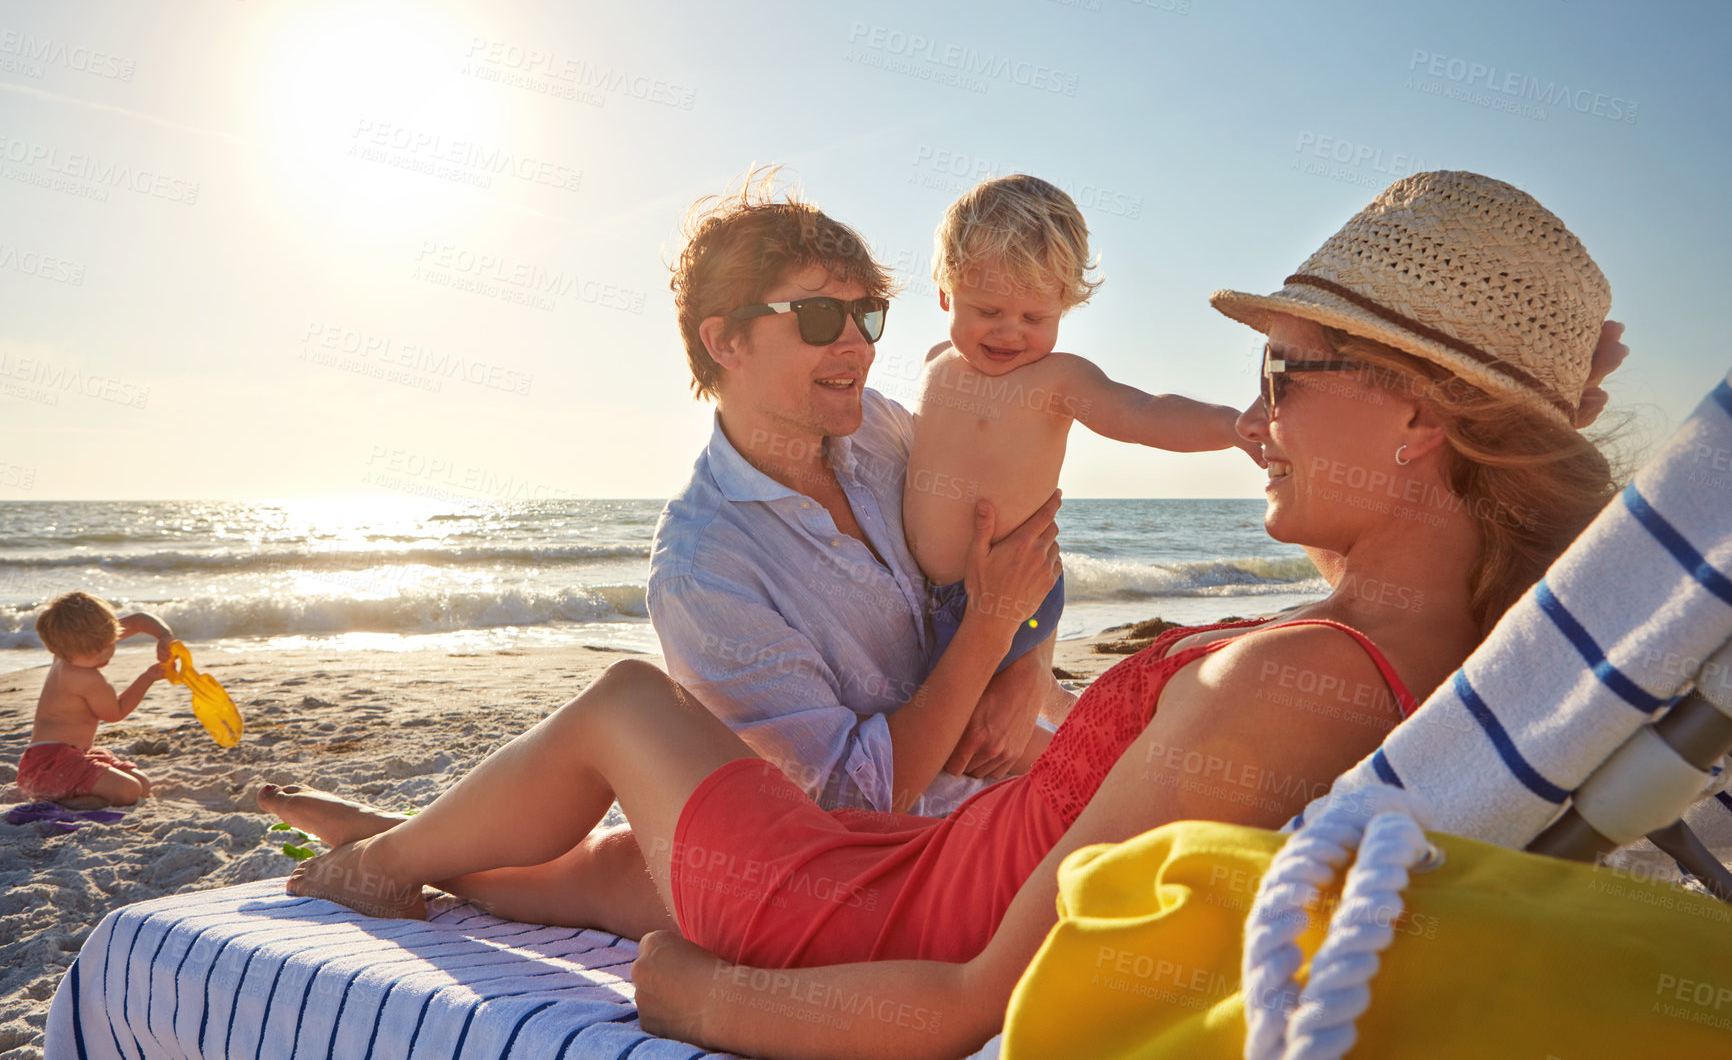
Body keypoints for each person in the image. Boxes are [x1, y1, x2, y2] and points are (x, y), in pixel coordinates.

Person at [261, 170, 1624, 1059]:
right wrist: (1542, 410)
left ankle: (376, 871)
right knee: (618, 863)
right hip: (894, 847)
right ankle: (408, 851)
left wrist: (681, 992)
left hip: (873, 899)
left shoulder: (1282, 681)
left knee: (628, 708)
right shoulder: (1488, 645)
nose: (1254, 416)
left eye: (1288, 367)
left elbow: (969, 1002)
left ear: (1416, 415)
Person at [649, 170, 1067, 817]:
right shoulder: (702, 569)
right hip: (916, 856)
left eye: (866, 316)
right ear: (725, 340)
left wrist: (1028, 668)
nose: (858, 346)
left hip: (1025, 783)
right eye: (819, 317)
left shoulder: (885, 429)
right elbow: (851, 798)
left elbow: (1023, 538)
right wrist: (990, 630)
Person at [908, 174, 1259, 691]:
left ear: (1064, 307)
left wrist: (1230, 426)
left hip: (1015, 595)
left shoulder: (1058, 378)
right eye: (987, 311)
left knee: (981, 732)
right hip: (925, 594)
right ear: (945, 293)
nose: (1009, 331)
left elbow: (1143, 413)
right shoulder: (935, 363)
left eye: (1034, 316)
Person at [18, 592, 177, 807]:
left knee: (142, 784)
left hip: (73, 757)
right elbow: (115, 713)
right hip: (49, 767)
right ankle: (60, 804)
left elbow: (139, 620)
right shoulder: (84, 677)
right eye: (93, 653)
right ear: (64, 650)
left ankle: (81, 799)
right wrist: (148, 678)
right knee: (129, 790)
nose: (103, 654)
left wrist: (164, 635)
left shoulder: (80, 643)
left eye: (108, 644)